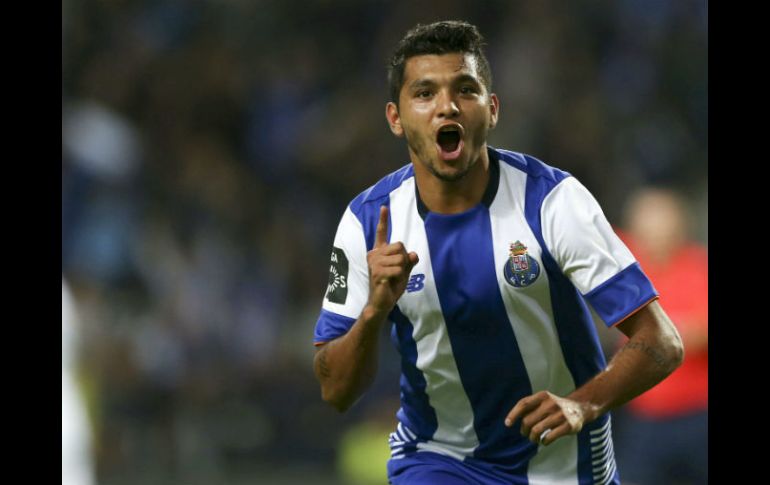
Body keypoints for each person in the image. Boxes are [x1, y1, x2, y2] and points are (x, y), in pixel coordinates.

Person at [312, 20, 684, 485]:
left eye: (465, 90)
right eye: (424, 93)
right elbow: (336, 390)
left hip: (565, 465)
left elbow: (661, 341)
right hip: (438, 458)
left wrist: (581, 404)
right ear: (395, 118)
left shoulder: (553, 202)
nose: (447, 106)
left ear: (491, 110)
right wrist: (373, 312)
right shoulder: (366, 222)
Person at [613, 188, 708, 485]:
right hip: (643, 417)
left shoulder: (698, 266)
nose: (654, 232)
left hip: (697, 414)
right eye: (646, 223)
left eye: (662, 222)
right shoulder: (624, 261)